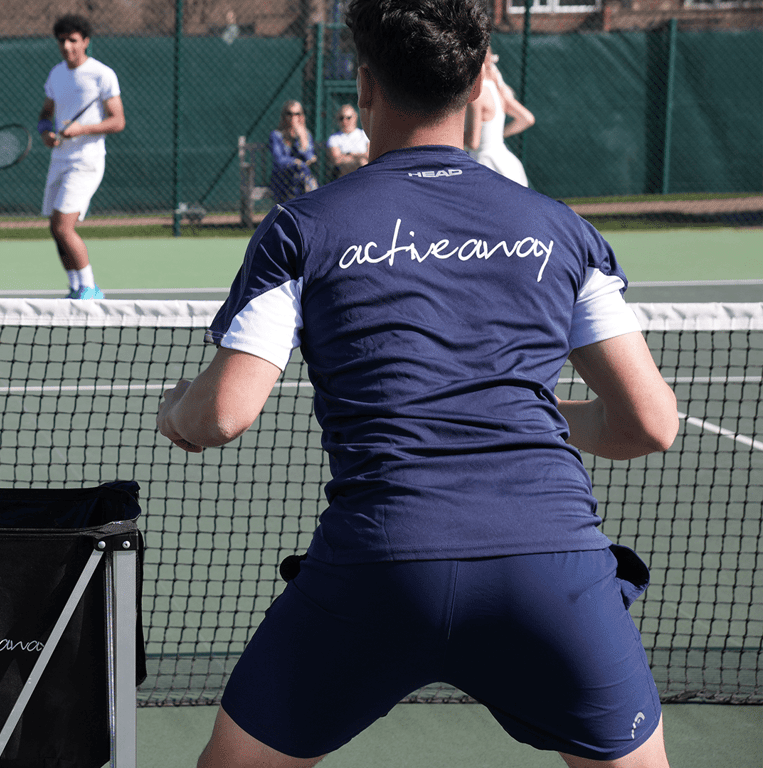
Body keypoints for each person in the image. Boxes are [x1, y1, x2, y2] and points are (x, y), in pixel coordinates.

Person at [156, 0, 680, 766]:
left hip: (379, 570)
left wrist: (179, 412)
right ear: (477, 88)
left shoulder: (304, 228)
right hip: (550, 573)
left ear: (363, 84)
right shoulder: (564, 229)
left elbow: (226, 413)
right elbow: (650, 425)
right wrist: (522, 415)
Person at [36, 14, 125, 299]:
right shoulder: (56, 74)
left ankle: (91, 287)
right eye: (62, 40)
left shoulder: (102, 75)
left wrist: (82, 129)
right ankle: (76, 286)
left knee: (64, 226)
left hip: (86, 160)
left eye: (73, 40)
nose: (67, 46)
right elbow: (44, 115)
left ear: (85, 42)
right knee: (55, 228)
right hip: (59, 159)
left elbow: (118, 120)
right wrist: (46, 133)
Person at [466, 48, 535, 187]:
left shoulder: (477, 94)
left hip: (485, 166)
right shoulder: (497, 89)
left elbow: (473, 142)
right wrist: (494, 137)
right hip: (508, 165)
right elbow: (527, 118)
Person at [267, 100, 317, 203]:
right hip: (282, 177)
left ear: (301, 116)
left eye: (297, 114)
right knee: (304, 174)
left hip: (300, 177)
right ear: (284, 116)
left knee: (303, 174)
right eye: (289, 114)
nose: (293, 117)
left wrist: (302, 140)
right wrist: (296, 162)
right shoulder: (276, 135)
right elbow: (279, 160)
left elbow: (310, 157)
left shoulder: (306, 135)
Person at [326, 103, 369, 177]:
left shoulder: (365, 135)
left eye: (348, 118)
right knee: (362, 162)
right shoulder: (334, 138)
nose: (345, 121)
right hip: (343, 174)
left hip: (364, 171)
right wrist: (359, 157)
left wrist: (349, 154)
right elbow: (337, 160)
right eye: (341, 118)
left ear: (355, 117)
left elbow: (370, 156)